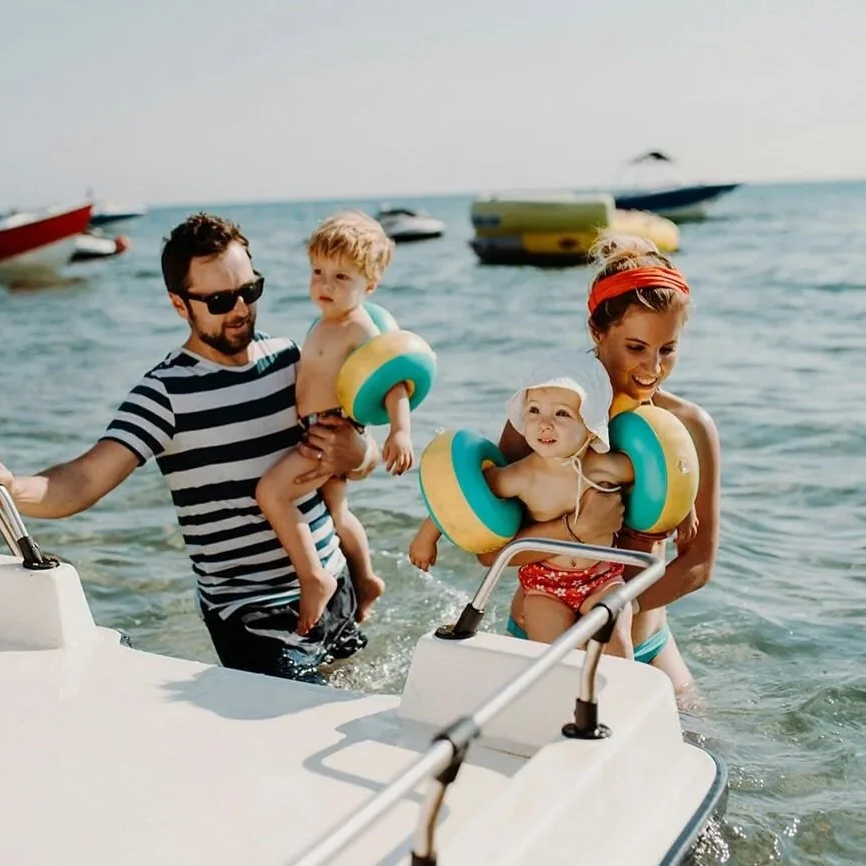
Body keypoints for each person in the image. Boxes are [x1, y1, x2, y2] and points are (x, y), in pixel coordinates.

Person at [0, 213, 381, 684]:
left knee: (353, 698)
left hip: (335, 585)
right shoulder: (165, 394)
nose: (240, 310)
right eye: (218, 300)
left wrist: (359, 454)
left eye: (249, 291)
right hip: (250, 617)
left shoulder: (292, 359)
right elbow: (85, 478)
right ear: (179, 304)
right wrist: (8, 488)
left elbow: (358, 443)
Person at [484, 231, 721, 702]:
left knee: (703, 748)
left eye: (668, 349)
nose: (653, 367)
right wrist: (571, 532)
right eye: (636, 347)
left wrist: (615, 612)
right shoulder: (544, 418)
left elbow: (698, 563)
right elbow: (489, 555)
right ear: (597, 332)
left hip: (639, 635)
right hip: (542, 628)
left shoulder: (689, 427)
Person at [409, 351, 639, 657]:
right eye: (533, 410)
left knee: (617, 643)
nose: (544, 424)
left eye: (561, 414)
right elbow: (462, 499)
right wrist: (428, 536)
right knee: (551, 654)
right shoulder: (521, 476)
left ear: (591, 423)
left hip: (602, 578)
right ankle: (553, 702)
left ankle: (617, 701)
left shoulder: (606, 468)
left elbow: (659, 484)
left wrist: (682, 508)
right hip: (545, 587)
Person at [255, 211, 413, 634]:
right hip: (315, 429)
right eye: (318, 272)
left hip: (329, 432)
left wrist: (399, 431)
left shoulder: (359, 327)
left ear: (370, 286)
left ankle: (315, 577)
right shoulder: (326, 323)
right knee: (336, 512)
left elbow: (394, 378)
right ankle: (365, 579)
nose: (324, 285)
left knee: (272, 493)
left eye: (341, 278)